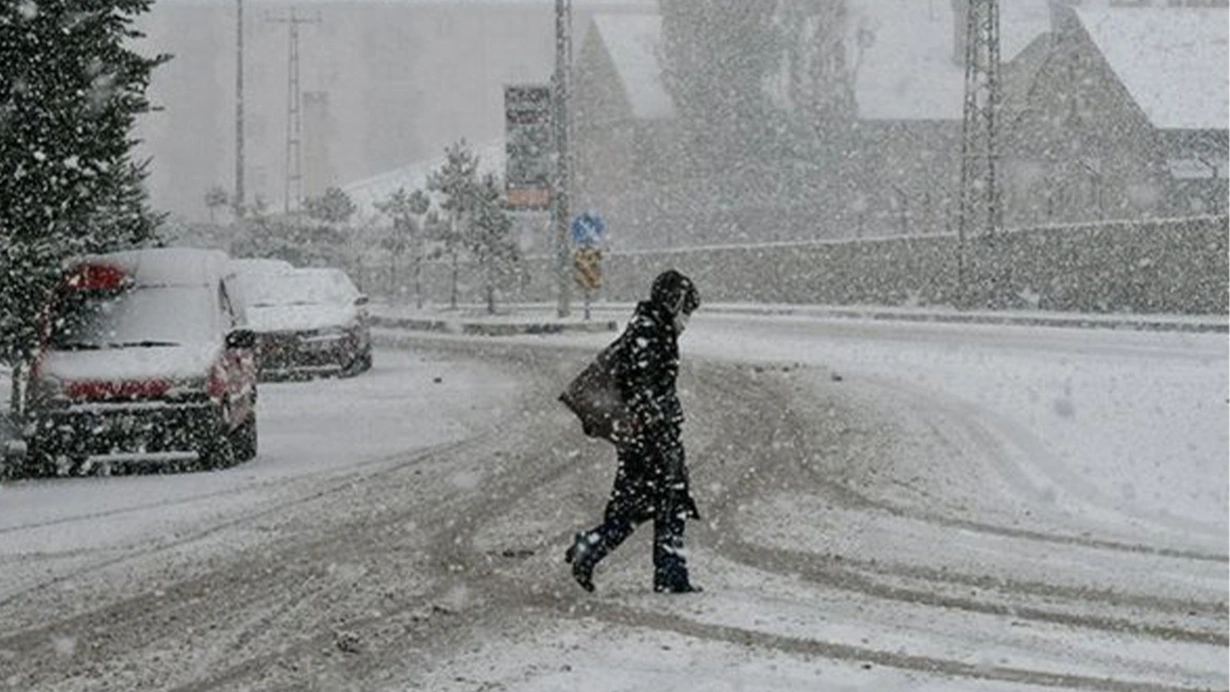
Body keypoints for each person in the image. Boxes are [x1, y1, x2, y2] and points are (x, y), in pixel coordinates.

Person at [565, 269, 702, 594]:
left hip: (651, 435)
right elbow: (639, 385)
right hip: (650, 437)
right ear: (674, 303)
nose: (686, 320)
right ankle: (663, 574)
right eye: (686, 311)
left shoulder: (651, 327)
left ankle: (597, 550)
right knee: (659, 504)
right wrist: (655, 422)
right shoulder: (651, 332)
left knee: (651, 505)